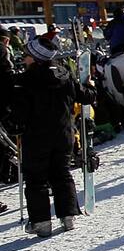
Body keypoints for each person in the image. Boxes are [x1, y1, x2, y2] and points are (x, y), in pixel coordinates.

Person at [9, 36, 95, 236]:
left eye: (27, 55)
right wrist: (90, 85)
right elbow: (86, 96)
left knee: (36, 178)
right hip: (64, 135)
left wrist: (15, 126)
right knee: (61, 174)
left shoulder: (24, 81)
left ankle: (41, 222)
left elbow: (18, 112)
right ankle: (68, 216)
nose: (24, 58)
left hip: (36, 137)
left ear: (37, 57)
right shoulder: (64, 75)